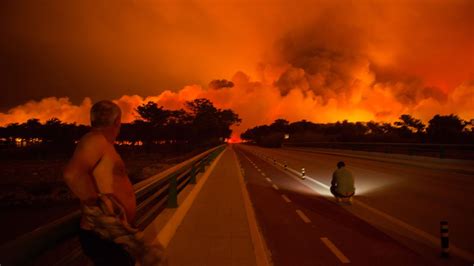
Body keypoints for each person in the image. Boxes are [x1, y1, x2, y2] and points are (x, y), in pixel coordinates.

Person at [63, 100, 165, 265]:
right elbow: (72, 175)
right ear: (118, 121)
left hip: (113, 232)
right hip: (104, 233)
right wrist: (99, 204)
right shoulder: (95, 140)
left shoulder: (103, 143)